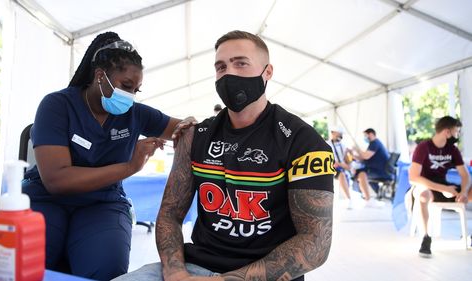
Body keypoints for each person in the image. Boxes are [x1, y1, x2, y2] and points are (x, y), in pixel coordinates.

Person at [114, 30, 334, 281]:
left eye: (241, 63)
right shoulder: (195, 136)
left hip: (265, 274)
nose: (229, 73)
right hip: (194, 267)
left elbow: (315, 242)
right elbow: (170, 215)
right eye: (221, 66)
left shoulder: (303, 141)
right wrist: (176, 272)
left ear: (267, 72)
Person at [22, 32, 194, 280]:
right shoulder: (57, 105)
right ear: (100, 76)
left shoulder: (135, 114)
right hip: (46, 198)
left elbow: (184, 130)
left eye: (136, 89)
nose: (131, 95)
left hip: (102, 203)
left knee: (104, 269)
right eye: (126, 86)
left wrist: (191, 125)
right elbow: (57, 181)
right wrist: (130, 167)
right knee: (27, 265)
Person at [408, 116, 470, 258]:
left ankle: (469, 236)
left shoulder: (452, 150)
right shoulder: (423, 147)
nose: (457, 135)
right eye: (457, 131)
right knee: (424, 195)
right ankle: (426, 237)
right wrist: (443, 189)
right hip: (424, 185)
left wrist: (465, 192)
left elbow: (465, 175)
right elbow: (413, 177)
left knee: (469, 192)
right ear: (447, 132)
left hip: (443, 185)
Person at [352, 128, 390, 204]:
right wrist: (354, 156)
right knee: (359, 172)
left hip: (380, 171)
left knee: (361, 174)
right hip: (379, 169)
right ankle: (371, 195)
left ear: (371, 134)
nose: (365, 137)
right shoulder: (374, 143)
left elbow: (366, 156)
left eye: (365, 135)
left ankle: (367, 198)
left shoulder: (374, 143)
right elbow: (364, 157)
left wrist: (357, 150)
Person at [326, 126, 353, 208]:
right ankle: (348, 199)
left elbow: (347, 161)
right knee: (341, 174)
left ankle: (349, 198)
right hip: (331, 167)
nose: (340, 135)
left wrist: (350, 154)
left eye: (341, 134)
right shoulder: (327, 144)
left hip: (341, 167)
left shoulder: (343, 146)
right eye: (339, 133)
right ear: (333, 133)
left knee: (345, 173)